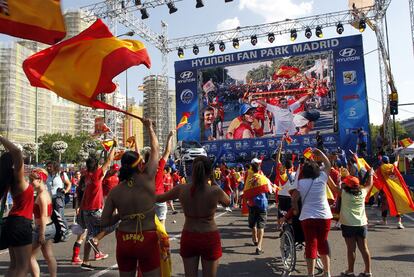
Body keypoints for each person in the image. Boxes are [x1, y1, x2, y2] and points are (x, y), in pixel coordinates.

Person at [101, 117, 161, 277]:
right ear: (140, 164)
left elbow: (104, 221)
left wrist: (121, 215)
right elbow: (156, 149)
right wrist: (149, 127)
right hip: (147, 238)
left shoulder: (115, 191)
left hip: (124, 239)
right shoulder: (148, 178)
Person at [156, 156, 230, 277]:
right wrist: (214, 181)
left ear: (193, 171)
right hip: (209, 236)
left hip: (189, 235)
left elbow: (158, 198)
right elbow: (227, 202)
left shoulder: (181, 189)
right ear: (209, 172)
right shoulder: (215, 191)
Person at [290, 148, 332, 277]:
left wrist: (296, 209)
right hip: (324, 216)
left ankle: (311, 274)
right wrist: (321, 153)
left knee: (310, 245)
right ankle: (327, 272)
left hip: (307, 216)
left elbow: (294, 198)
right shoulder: (322, 178)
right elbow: (328, 165)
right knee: (323, 243)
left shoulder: (301, 183)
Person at [327, 169, 374, 277]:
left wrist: (326, 173)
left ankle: (350, 271)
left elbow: (333, 186)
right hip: (362, 224)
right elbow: (369, 184)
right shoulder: (362, 192)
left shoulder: (344, 194)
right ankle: (368, 271)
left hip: (348, 224)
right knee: (364, 248)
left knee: (351, 249)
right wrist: (370, 174)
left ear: (347, 186)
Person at [0, 135, 34, 277]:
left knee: (14, 265)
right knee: (22, 267)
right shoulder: (18, 179)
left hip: (13, 222)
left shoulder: (12, 182)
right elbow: (16, 152)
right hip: (21, 223)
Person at [79, 143, 116, 271]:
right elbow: (109, 160)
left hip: (86, 211)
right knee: (114, 223)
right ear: (96, 167)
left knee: (89, 235)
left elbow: (105, 161)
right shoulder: (96, 176)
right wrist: (114, 146)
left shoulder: (87, 176)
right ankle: (96, 239)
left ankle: (85, 261)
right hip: (95, 211)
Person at [29, 168, 57, 277]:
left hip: (43, 228)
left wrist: (41, 233)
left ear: (40, 179)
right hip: (48, 227)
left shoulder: (42, 196)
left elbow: (44, 215)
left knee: (30, 256)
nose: (31, 183)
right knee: (48, 255)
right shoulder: (44, 192)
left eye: (32, 180)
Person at [245, 158, 272, 255]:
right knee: (261, 225)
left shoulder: (248, 176)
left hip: (252, 204)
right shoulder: (262, 177)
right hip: (262, 204)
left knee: (253, 223)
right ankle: (259, 246)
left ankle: (254, 238)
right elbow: (269, 190)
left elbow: (246, 190)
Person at [45, 161, 71, 239]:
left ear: (55, 167)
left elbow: (69, 184)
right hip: (49, 198)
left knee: (60, 215)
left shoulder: (61, 174)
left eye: (50, 166)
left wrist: (66, 191)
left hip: (59, 197)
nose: (48, 168)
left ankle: (66, 232)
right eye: (47, 166)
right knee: (52, 216)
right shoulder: (47, 175)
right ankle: (57, 232)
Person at [155, 130, 175, 226]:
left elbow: (138, 154)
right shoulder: (160, 166)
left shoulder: (144, 168)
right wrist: (169, 137)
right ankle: (162, 240)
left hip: (148, 199)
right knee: (161, 225)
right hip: (160, 197)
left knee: (149, 226)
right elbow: (167, 151)